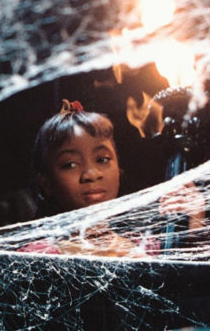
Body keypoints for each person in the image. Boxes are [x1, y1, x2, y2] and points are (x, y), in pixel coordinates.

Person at [19, 99, 205, 257]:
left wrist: (196, 227)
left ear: (119, 170)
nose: (91, 174)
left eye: (102, 159)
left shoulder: (148, 247)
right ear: (46, 183)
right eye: (71, 164)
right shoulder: (36, 257)